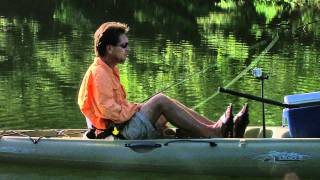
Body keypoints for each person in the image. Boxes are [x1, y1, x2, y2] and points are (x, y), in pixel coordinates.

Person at [78, 22, 249, 140]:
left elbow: (117, 109)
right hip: (114, 135)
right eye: (124, 46)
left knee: (165, 102)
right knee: (160, 100)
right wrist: (137, 108)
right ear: (109, 48)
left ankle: (218, 128)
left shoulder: (109, 69)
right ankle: (215, 133)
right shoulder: (99, 73)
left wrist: (138, 109)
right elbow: (112, 113)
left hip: (120, 128)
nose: (128, 50)